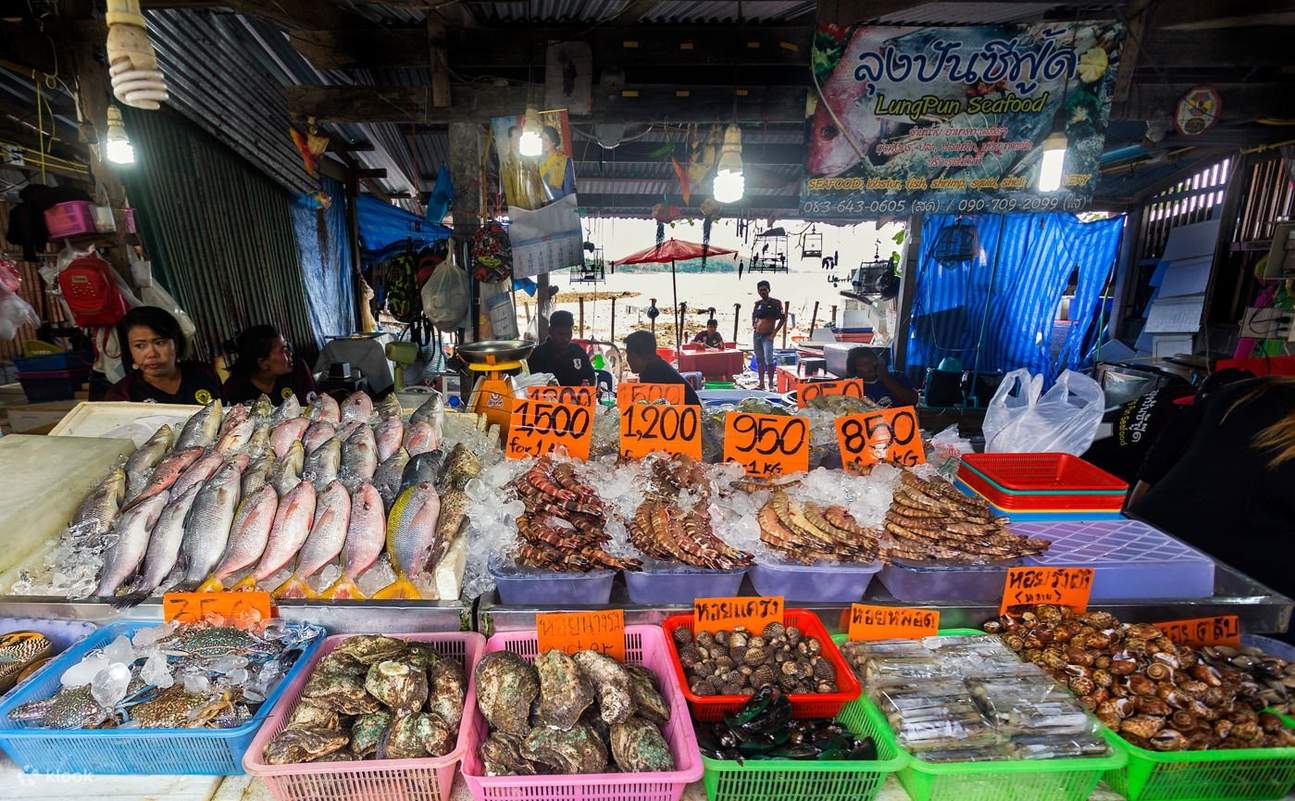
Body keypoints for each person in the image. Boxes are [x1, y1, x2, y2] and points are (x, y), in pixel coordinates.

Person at [1128, 377, 1295, 611]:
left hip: (1142, 558)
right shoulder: (1246, 394)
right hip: (1236, 597)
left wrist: (1131, 531)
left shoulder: (1244, 391)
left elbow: (1151, 472)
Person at [105, 306, 223, 404]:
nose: (152, 354)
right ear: (129, 350)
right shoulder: (121, 395)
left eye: (160, 343)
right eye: (140, 346)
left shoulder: (204, 373)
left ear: (176, 343)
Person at [221, 324, 317, 406]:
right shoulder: (234, 390)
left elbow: (314, 405)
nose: (290, 353)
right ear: (263, 364)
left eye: (287, 347)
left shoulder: (298, 370)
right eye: (283, 350)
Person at [624, 330, 701, 406]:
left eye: (631, 355)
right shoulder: (658, 365)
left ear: (646, 356)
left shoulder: (653, 374)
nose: (627, 359)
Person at [527, 310, 595, 387]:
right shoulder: (538, 354)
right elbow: (530, 383)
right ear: (550, 331)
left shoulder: (578, 351)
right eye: (560, 334)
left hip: (577, 394)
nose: (566, 339)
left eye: (569, 333)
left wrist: (588, 383)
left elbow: (591, 376)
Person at [846, 347, 919, 407]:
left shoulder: (897, 376)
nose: (871, 366)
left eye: (873, 361)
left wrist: (885, 377)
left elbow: (913, 400)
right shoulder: (852, 387)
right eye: (864, 364)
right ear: (853, 369)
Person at [751, 280, 785, 390]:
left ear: (769, 290)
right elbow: (754, 316)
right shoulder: (758, 304)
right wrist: (754, 324)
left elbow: (782, 318)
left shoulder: (775, 303)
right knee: (759, 359)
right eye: (760, 290)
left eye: (764, 289)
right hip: (757, 336)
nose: (763, 292)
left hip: (767, 336)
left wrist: (774, 333)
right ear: (758, 291)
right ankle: (761, 383)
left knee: (769, 360)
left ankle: (770, 384)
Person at [501, 124, 544, 211]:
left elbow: (538, 181)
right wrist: (514, 211)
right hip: (521, 206)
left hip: (536, 203)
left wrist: (542, 200)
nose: (518, 141)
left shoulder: (529, 160)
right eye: (515, 138)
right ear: (510, 140)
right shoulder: (506, 163)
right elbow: (509, 191)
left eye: (519, 138)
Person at [538, 125, 576, 202]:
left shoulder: (565, 161)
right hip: (542, 202)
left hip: (558, 202)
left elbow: (568, 189)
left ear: (553, 142)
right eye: (542, 139)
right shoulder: (539, 160)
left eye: (546, 140)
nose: (542, 143)